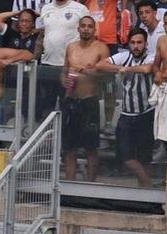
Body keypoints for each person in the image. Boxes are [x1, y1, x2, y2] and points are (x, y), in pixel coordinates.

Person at [105, 27, 156, 186]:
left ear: (146, 44)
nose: (136, 46)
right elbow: (100, 65)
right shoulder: (124, 56)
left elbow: (147, 69)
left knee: (145, 157)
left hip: (146, 113)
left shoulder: (151, 57)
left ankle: (145, 194)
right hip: (126, 114)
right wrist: (119, 68)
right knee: (125, 156)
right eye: (133, 43)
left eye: (139, 42)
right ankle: (148, 186)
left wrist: (125, 69)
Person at [62, 16, 110, 183]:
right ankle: (69, 185)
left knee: (91, 148)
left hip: (90, 101)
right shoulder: (71, 47)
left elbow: (107, 75)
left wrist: (88, 72)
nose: (86, 29)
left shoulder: (101, 48)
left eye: (90, 26)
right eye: (83, 26)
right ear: (78, 28)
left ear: (94, 29)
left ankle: (89, 186)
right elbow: (64, 72)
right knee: (69, 149)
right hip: (70, 100)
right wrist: (65, 81)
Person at [37, 0, 91, 111]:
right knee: (47, 105)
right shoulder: (45, 8)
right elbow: (41, 34)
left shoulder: (80, 9)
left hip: (70, 66)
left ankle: (69, 128)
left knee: (69, 106)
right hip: (48, 64)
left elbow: (89, 35)